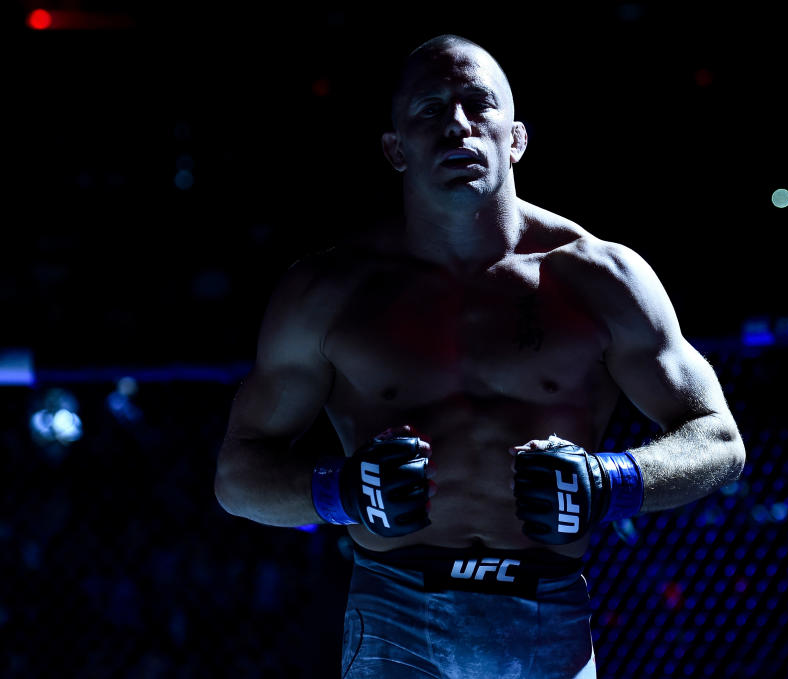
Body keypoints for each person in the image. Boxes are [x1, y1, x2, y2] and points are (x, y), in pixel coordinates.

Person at [214, 34, 746, 679]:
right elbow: (238, 477)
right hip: (393, 609)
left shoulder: (599, 278)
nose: (458, 125)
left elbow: (717, 438)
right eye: (430, 110)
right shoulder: (328, 292)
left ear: (516, 137)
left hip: (546, 609)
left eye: (478, 104)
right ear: (395, 148)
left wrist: (609, 481)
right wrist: (342, 490)